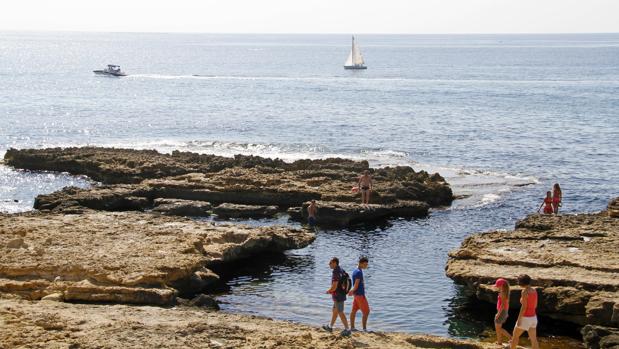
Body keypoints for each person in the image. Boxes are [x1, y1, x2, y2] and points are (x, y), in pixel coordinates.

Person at [323, 257, 351, 336]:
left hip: (338, 295)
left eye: (330, 263)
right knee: (335, 311)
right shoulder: (341, 269)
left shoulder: (336, 272)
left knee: (340, 312)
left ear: (335, 263)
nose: (329, 264)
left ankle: (347, 329)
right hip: (340, 294)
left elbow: (335, 286)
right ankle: (330, 327)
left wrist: (329, 291)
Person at [510, 274, 539, 349]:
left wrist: (519, 319)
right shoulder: (534, 290)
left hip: (525, 317)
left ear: (521, 282)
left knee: (515, 337)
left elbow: (524, 307)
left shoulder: (524, 292)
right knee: (534, 340)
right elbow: (535, 305)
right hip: (533, 318)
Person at [348, 256, 370, 332]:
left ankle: (352, 327)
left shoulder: (355, 270)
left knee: (354, 310)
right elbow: (356, 284)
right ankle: (364, 329)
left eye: (367, 264)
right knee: (366, 312)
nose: (366, 266)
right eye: (365, 264)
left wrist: (353, 291)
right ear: (360, 263)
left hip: (356, 295)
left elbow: (356, 283)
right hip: (360, 295)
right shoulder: (359, 272)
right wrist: (352, 290)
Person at [494, 278, 511, 346]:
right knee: (498, 328)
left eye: (498, 286)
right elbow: (506, 304)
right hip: (503, 312)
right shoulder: (504, 292)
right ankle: (499, 342)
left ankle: (511, 338)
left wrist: (498, 314)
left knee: (498, 328)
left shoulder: (503, 293)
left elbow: (503, 305)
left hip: (502, 312)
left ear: (502, 286)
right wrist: (506, 313)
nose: (497, 287)